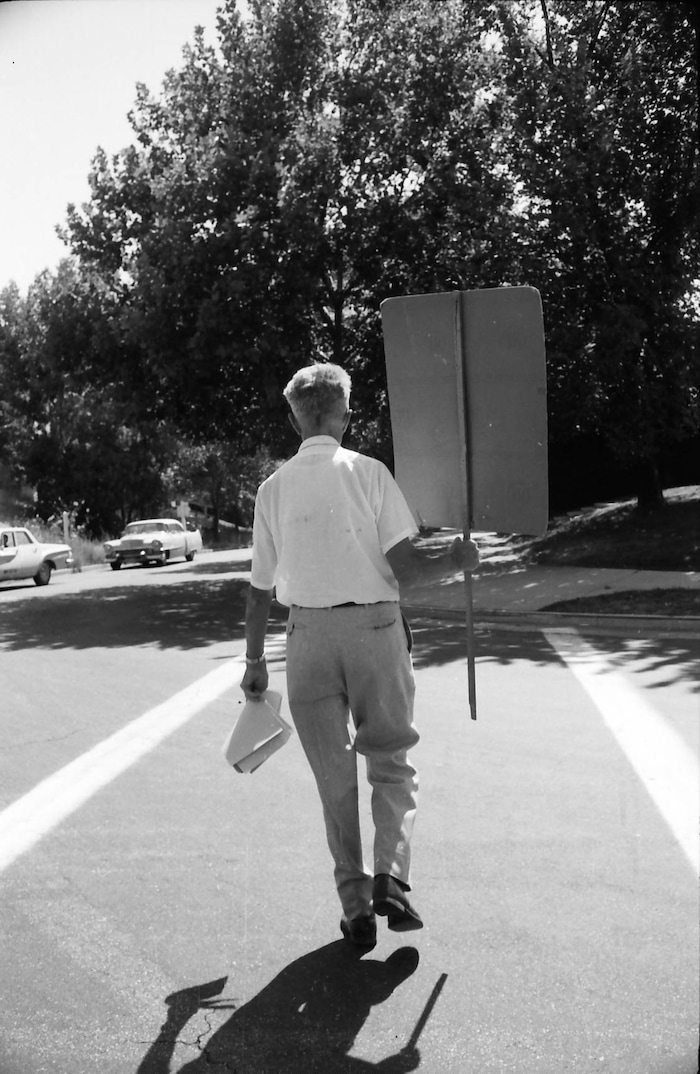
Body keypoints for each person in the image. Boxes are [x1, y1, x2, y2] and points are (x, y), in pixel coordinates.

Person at [241, 362, 479, 950]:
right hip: (375, 629)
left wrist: (254, 662)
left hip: (306, 638)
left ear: (294, 419)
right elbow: (408, 570)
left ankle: (355, 908)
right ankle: (391, 877)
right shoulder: (370, 473)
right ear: (346, 415)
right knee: (391, 759)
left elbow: (259, 589)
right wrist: (456, 560)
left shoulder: (271, 490)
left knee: (333, 780)